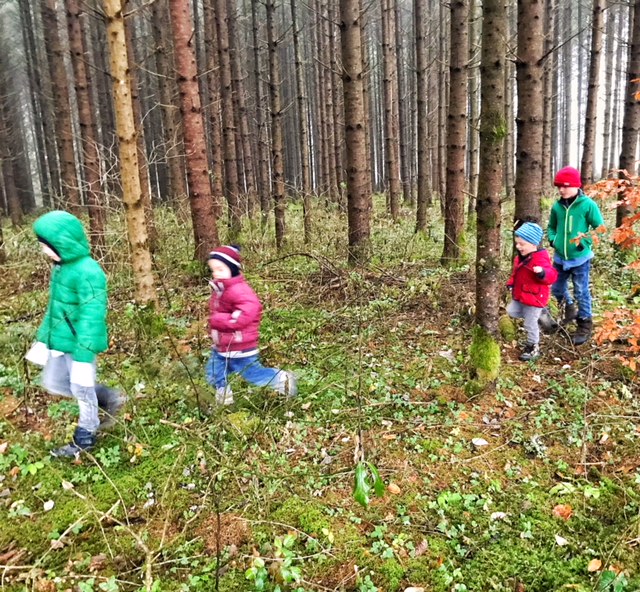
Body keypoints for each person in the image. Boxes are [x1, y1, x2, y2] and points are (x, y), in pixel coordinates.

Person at [25, 211, 124, 458]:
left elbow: (92, 316)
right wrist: (43, 340)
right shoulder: (61, 268)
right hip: (60, 342)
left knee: (81, 390)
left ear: (63, 242)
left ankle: (85, 437)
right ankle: (106, 396)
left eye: (46, 245)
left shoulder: (88, 271)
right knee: (53, 382)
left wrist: (83, 355)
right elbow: (55, 310)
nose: (44, 251)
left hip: (79, 345)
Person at [205, 245, 297, 405]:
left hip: (240, 346)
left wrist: (220, 320)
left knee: (253, 374)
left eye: (220, 269)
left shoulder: (238, 290)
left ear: (232, 269)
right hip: (222, 346)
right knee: (214, 373)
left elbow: (249, 310)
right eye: (213, 270)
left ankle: (282, 379)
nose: (216, 273)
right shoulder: (220, 289)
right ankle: (224, 398)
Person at [547, 166, 605, 345]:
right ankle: (569, 309)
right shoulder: (557, 206)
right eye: (559, 186)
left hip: (581, 259)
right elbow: (551, 227)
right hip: (560, 258)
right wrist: (553, 240)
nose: (561, 190)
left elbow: (600, 229)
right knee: (556, 288)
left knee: (581, 291)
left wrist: (584, 243)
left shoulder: (588, 205)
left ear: (576, 186)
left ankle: (585, 323)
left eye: (565, 186)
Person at [506, 222, 558, 361]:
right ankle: (541, 313)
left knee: (530, 324)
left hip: (535, 298)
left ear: (533, 244)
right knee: (511, 311)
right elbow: (515, 274)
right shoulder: (519, 258)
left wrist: (542, 273)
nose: (518, 247)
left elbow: (552, 275)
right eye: (517, 243)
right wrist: (511, 283)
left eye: (522, 244)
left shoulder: (540, 258)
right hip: (521, 295)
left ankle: (533, 347)